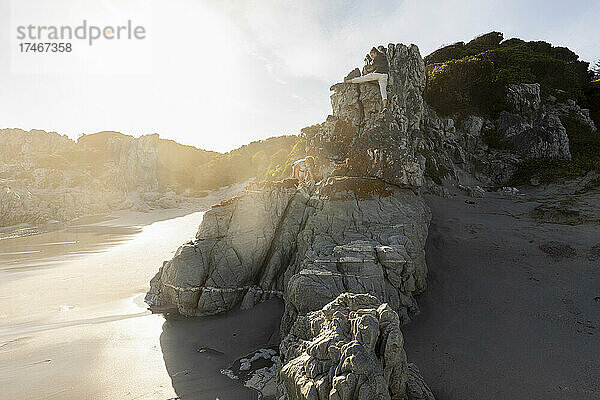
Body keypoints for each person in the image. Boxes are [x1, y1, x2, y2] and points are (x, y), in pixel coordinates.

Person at [345, 47, 389, 111]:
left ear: (375, 53)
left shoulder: (376, 58)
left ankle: (350, 81)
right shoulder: (383, 56)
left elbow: (370, 66)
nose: (372, 57)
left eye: (372, 55)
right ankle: (385, 106)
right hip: (385, 76)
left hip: (377, 74)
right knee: (383, 92)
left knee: (364, 78)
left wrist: (368, 59)